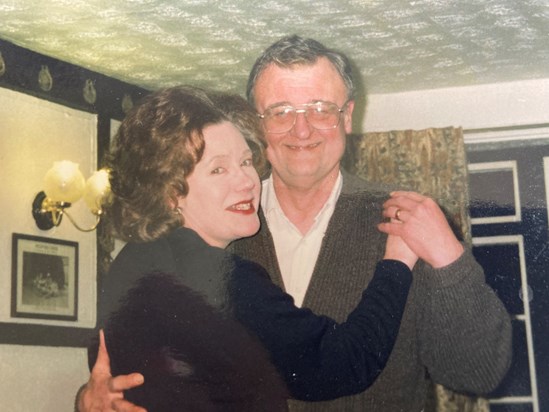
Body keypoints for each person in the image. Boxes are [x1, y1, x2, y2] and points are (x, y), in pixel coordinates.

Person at [79, 35, 513, 412]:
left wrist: (449, 259)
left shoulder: (408, 219)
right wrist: (91, 397)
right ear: (255, 122)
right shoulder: (218, 225)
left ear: (347, 116)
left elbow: (478, 373)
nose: (301, 130)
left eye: (321, 109)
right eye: (281, 111)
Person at [77, 85, 418, 411]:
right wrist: (399, 257)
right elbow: (343, 363)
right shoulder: (215, 276)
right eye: (218, 169)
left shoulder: (131, 262)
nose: (246, 181)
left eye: (245, 162)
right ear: (169, 193)